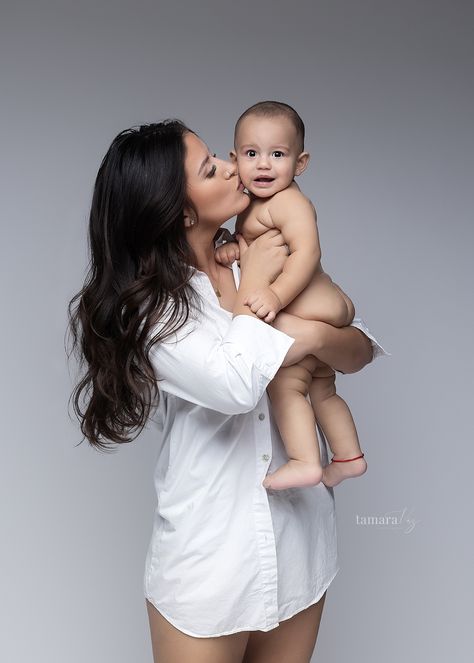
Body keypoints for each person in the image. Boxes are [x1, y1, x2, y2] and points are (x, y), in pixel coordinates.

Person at [68, 119, 388, 663]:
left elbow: (356, 349)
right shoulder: (152, 311)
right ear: (182, 210)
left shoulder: (252, 251)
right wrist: (262, 295)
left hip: (299, 545)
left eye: (218, 154)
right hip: (211, 564)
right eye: (210, 168)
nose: (234, 166)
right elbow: (236, 386)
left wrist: (311, 333)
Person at [215, 100, 388, 491]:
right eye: (251, 154)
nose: (263, 164)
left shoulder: (289, 201)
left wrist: (275, 296)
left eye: (277, 154)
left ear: (301, 163)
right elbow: (254, 249)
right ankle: (347, 457)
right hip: (322, 314)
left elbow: (308, 252)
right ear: (235, 158)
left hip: (314, 304)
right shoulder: (254, 206)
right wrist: (231, 248)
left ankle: (305, 461)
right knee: (322, 388)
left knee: (285, 384)